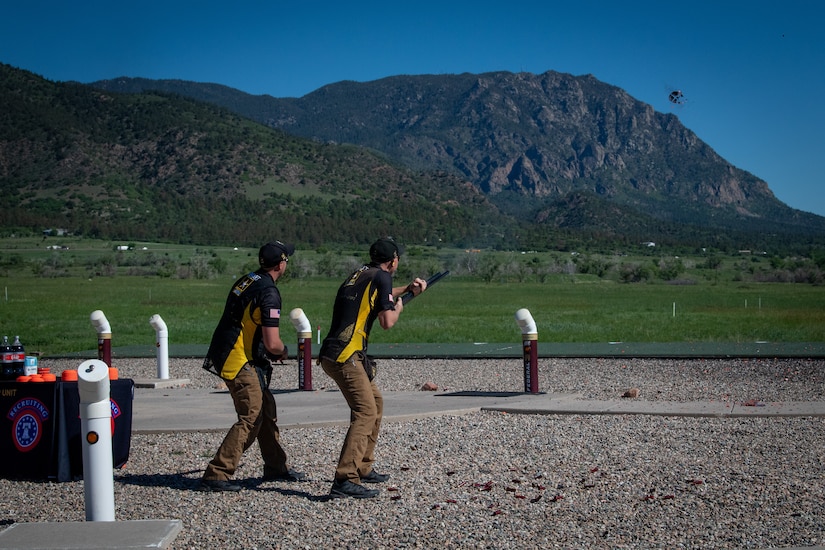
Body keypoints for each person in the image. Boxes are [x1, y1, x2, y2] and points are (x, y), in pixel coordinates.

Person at [319, 237, 427, 499]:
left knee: (375, 402)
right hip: (347, 354)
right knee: (366, 411)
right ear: (393, 260)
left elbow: (381, 293)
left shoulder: (362, 273)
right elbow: (387, 321)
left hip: (334, 352)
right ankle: (345, 479)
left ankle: (363, 466)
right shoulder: (383, 277)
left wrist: (406, 291)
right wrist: (399, 306)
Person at [199, 241, 306, 492]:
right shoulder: (269, 293)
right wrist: (283, 352)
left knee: (266, 409)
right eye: (286, 260)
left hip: (231, 352)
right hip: (238, 359)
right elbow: (273, 343)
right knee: (252, 416)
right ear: (281, 264)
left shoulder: (248, 280)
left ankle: (276, 468)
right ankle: (217, 473)